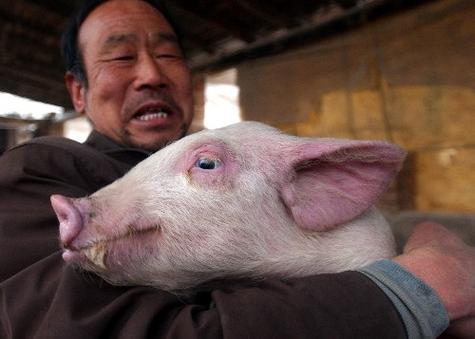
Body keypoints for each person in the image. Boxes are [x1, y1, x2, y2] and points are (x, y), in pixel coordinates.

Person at [0, 0, 473, 338]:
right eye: (121, 56)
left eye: (168, 55)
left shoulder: (248, 154)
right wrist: (413, 291)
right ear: (77, 91)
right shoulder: (41, 170)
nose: (151, 74)